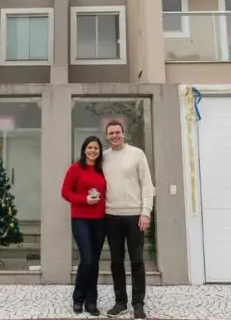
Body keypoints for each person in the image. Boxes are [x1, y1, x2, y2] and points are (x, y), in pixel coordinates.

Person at [102, 120, 154, 319]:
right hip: (111, 216)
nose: (115, 136)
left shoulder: (137, 154)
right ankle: (120, 302)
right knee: (116, 262)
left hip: (134, 216)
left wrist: (146, 211)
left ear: (123, 134)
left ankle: (138, 304)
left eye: (118, 132)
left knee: (137, 261)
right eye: (111, 133)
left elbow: (147, 184)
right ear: (107, 136)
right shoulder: (104, 157)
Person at [60, 136, 107, 316]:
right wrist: (84, 200)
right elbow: (65, 192)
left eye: (96, 148)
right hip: (81, 219)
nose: (93, 151)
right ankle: (78, 298)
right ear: (84, 150)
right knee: (86, 259)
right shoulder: (75, 168)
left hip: (100, 220)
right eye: (90, 148)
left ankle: (91, 301)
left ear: (99, 151)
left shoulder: (102, 170)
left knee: (93, 262)